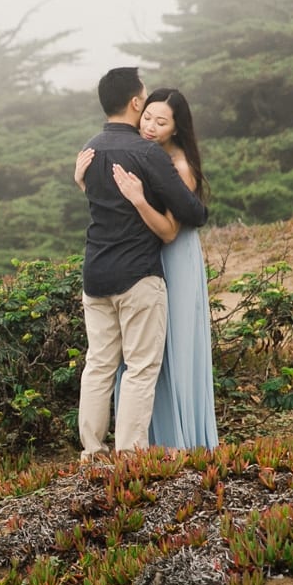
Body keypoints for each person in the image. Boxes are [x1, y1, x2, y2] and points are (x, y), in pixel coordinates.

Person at [74, 69, 208, 458]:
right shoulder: (147, 153)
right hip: (136, 275)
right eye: (145, 101)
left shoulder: (91, 149)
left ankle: (93, 452)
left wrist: (81, 183)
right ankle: (130, 454)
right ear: (136, 103)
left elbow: (101, 200)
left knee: (98, 365)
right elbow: (192, 213)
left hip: (95, 274)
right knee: (140, 367)